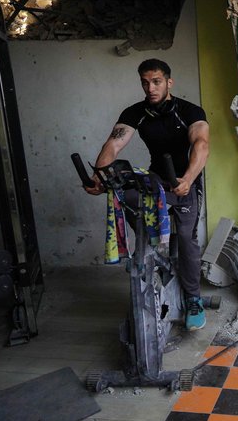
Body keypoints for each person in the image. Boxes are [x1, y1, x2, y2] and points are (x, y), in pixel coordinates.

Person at [84, 58, 210, 331]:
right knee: (126, 197)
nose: (150, 88)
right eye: (145, 82)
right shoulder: (136, 112)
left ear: (169, 82)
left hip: (185, 180)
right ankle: (153, 247)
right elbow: (114, 144)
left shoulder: (189, 111)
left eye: (156, 82)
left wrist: (188, 178)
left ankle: (194, 299)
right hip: (158, 179)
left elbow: (201, 144)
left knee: (187, 240)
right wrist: (99, 176)